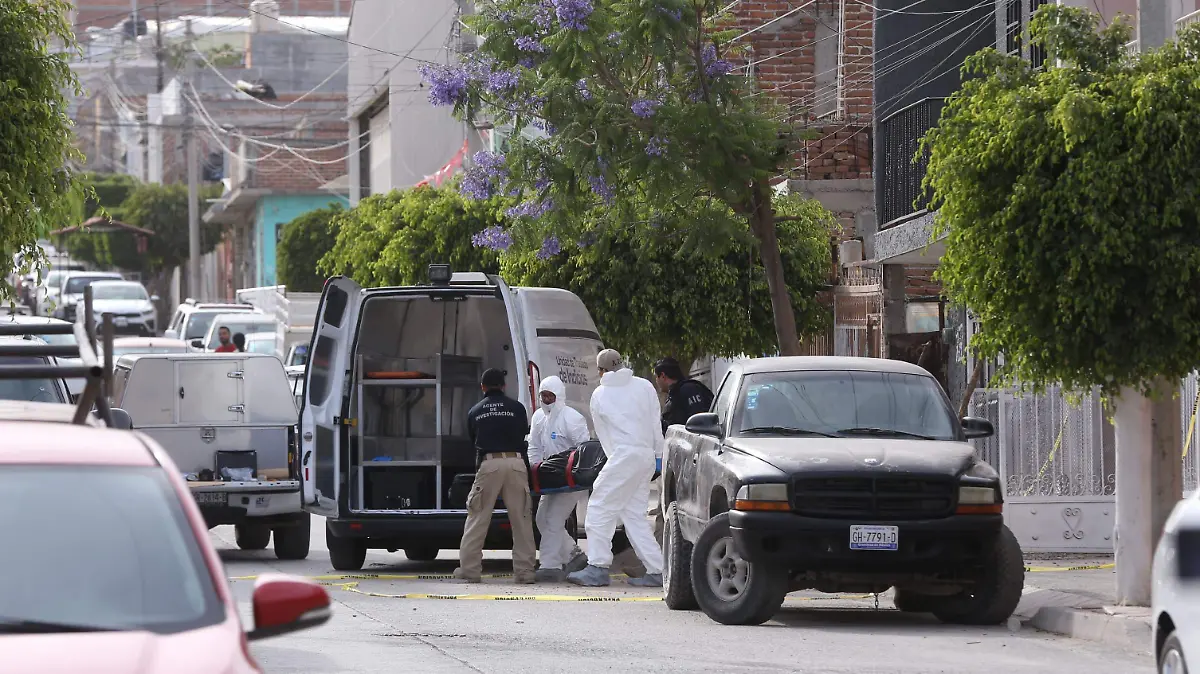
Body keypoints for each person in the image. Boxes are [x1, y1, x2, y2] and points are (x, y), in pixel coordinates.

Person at [567, 349, 665, 588]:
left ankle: (597, 567)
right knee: (634, 517)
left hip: (623, 456)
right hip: (646, 456)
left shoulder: (600, 394)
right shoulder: (644, 386)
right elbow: (655, 422)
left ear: (601, 371)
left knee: (599, 508)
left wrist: (616, 463)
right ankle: (658, 570)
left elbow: (605, 436)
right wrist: (658, 455)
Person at [454, 368, 537, 584]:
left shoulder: (475, 411)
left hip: (489, 463)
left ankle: (470, 569)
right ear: (503, 386)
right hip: (516, 463)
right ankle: (525, 572)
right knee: (521, 519)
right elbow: (523, 436)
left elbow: (474, 442)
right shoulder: (517, 408)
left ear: (483, 387)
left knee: (478, 517)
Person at [527, 376, 591, 582]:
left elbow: (584, 450)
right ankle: (573, 555)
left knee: (553, 519)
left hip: (571, 480)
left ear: (559, 396)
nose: (546, 400)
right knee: (541, 519)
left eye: (550, 396)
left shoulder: (572, 418)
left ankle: (550, 565)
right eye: (543, 396)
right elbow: (534, 446)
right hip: (550, 478)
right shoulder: (538, 417)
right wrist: (536, 470)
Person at [654, 357, 714, 434]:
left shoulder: (689, 389)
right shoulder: (674, 395)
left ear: (663, 376)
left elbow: (700, 424)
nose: (656, 381)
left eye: (656, 377)